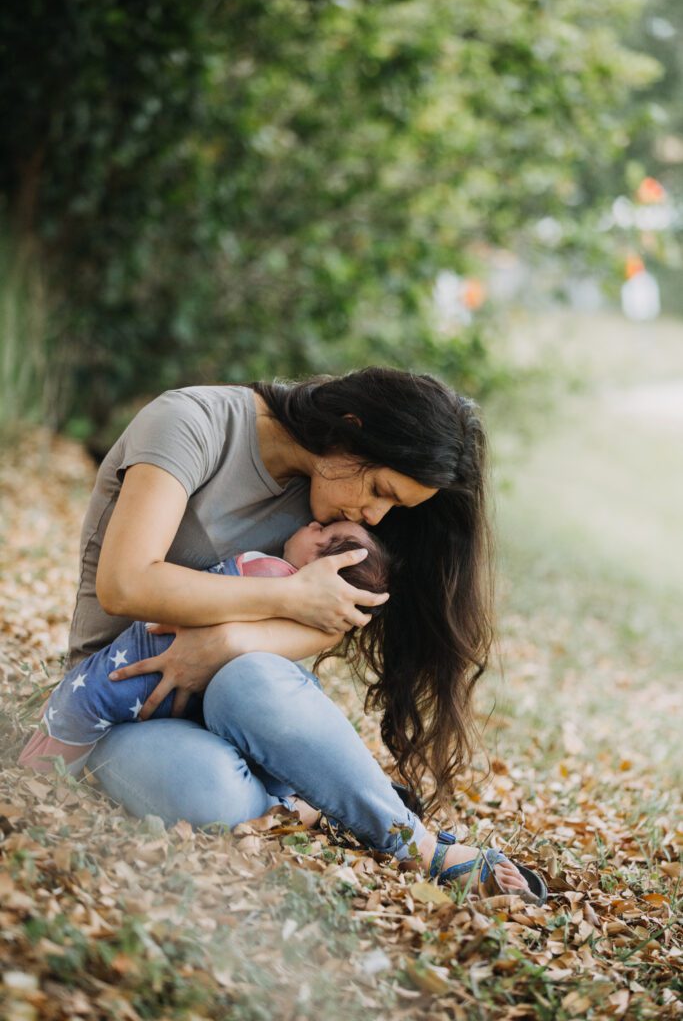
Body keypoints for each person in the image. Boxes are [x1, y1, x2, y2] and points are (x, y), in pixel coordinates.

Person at [33, 369, 545, 901]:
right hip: (121, 702)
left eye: (393, 507)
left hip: (246, 702)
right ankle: (313, 797)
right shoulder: (191, 423)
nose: (374, 515)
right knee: (213, 796)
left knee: (250, 677)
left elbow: (331, 620)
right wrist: (284, 597)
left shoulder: (331, 501)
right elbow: (126, 582)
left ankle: (421, 846)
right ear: (349, 428)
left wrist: (225, 645)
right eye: (379, 491)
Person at [18, 520, 391, 776]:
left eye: (323, 534)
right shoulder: (298, 620)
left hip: (141, 668)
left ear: (320, 567)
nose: (313, 524)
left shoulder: (271, 573)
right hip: (176, 696)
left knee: (87, 702)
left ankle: (39, 777)